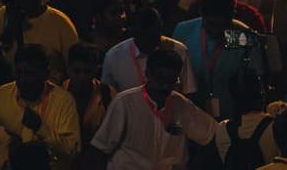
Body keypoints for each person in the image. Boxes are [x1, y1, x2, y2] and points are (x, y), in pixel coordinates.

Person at [83, 42, 219, 170]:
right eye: (160, 79)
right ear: (147, 74)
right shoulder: (125, 103)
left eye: (171, 81)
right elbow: (100, 149)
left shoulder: (180, 104)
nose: (165, 86)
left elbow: (211, 134)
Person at [0, 44, 82, 170]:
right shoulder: (1, 96)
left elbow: (72, 151)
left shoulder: (63, 101)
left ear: (45, 74)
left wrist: (41, 128)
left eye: (29, 74)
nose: (22, 79)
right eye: (19, 73)